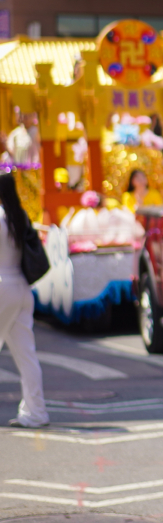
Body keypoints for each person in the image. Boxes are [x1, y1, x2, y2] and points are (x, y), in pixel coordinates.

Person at [0, 172, 48, 429]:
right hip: (21, 287)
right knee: (26, 355)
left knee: (25, 355)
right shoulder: (19, 216)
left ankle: (35, 413)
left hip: (2, 287)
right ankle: (36, 413)